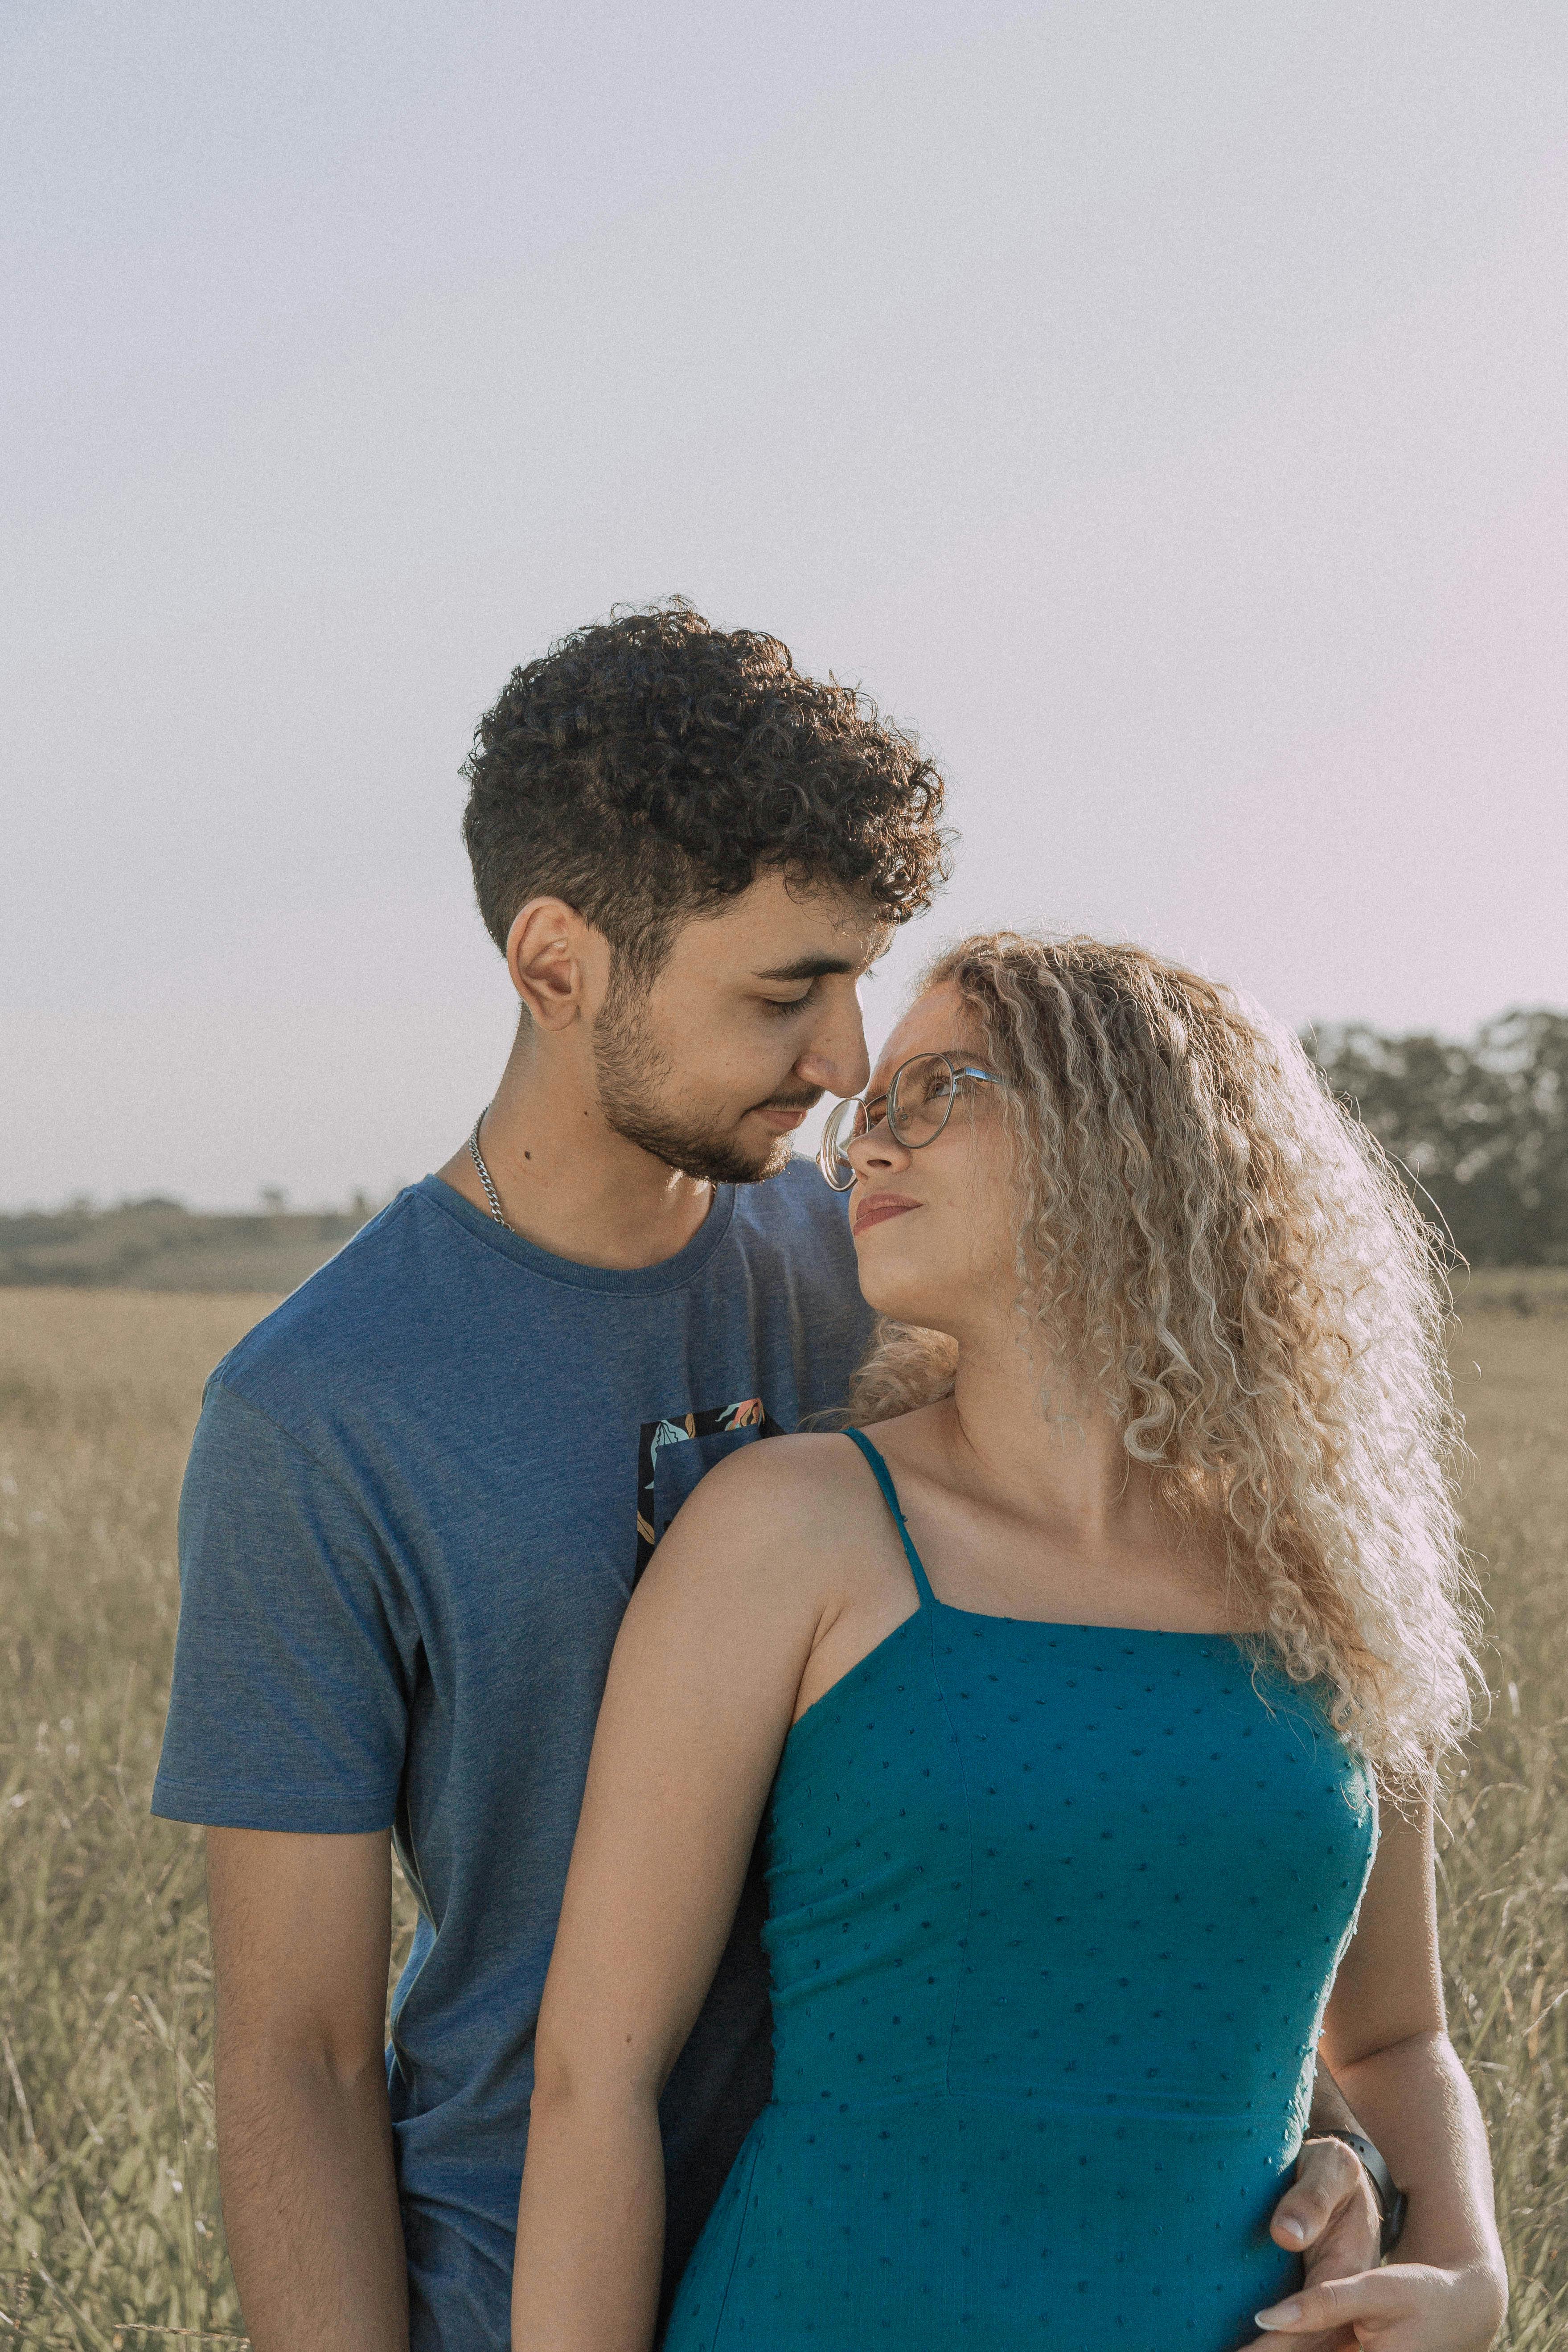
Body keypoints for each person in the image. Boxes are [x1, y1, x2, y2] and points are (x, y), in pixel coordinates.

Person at [153, 604, 1387, 2352]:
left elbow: (1141, 1732)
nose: (841, 1062)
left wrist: (1330, 2133)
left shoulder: (885, 1271)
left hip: (920, 2269)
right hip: (514, 2276)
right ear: (556, 963)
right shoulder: (319, 1413)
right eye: (785, 991)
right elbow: (296, 2051)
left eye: (861, 980)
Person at [511, 934, 1508, 2352]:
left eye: (938, 1091)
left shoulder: (1332, 1575)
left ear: (1132, 1134)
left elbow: (1398, 2038)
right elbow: (591, 2082)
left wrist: (1470, 2273)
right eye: (871, 1111)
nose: (866, 1146)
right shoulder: (787, 1527)